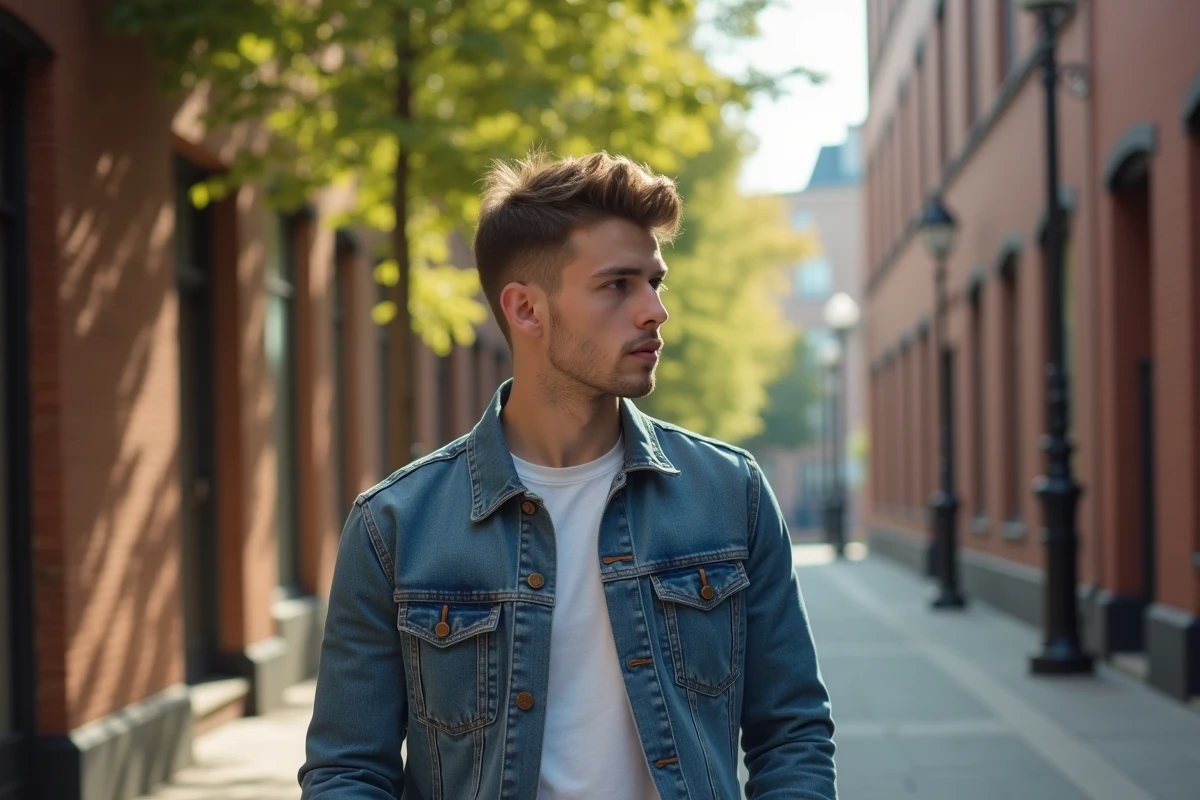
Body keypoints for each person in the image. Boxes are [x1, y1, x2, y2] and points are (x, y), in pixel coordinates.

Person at [299, 151, 837, 799]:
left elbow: (792, 733)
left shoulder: (730, 493)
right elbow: (349, 770)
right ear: (526, 310)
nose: (654, 312)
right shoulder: (394, 526)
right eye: (618, 285)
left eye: (655, 282)